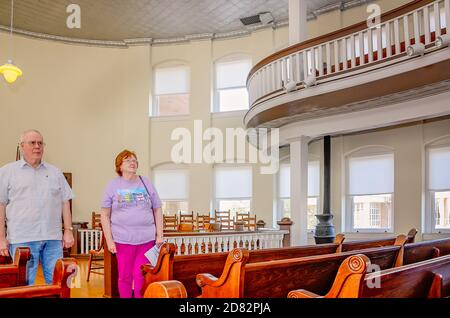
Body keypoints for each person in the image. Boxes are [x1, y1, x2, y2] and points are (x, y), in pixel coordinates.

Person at [0, 129, 74, 285]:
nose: (37, 146)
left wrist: (68, 231)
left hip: (53, 239)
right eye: (32, 143)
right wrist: (1, 237)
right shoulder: (7, 172)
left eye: (40, 143)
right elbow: (1, 205)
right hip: (22, 239)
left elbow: (65, 201)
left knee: (61, 283)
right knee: (24, 287)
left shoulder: (55, 172)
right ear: (21, 146)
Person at [100, 149, 163, 298]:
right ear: (119, 166)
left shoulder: (145, 182)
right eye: (128, 160)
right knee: (125, 276)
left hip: (146, 240)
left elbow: (157, 208)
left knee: (140, 275)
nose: (133, 162)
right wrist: (109, 241)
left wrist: (160, 235)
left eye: (134, 159)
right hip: (122, 240)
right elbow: (105, 214)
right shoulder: (112, 186)